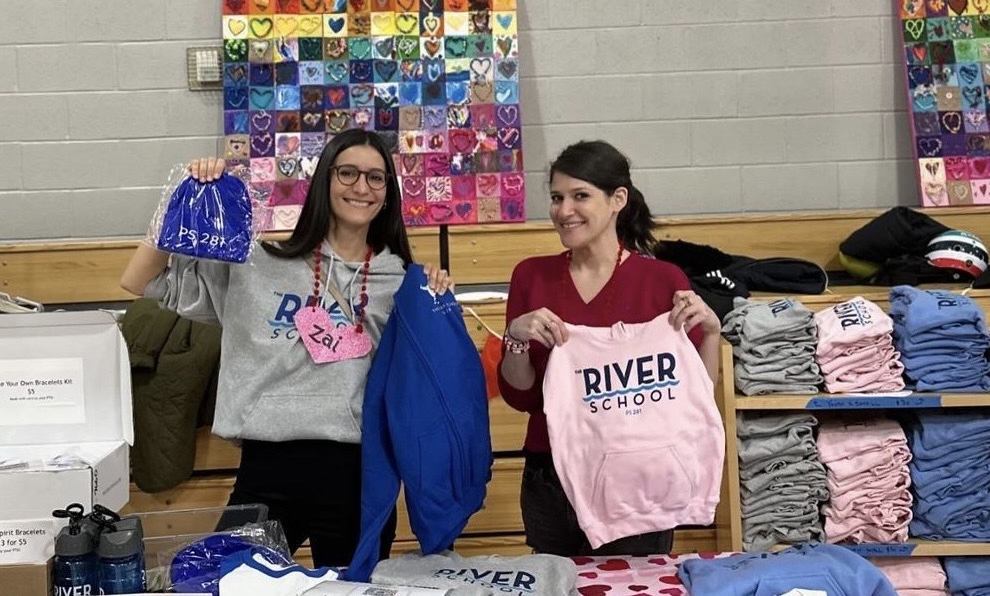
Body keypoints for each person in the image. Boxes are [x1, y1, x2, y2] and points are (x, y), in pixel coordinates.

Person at [120, 128, 452, 568]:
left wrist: (436, 297)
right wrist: (183, 199)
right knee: (230, 583)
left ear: (388, 193)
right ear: (324, 180)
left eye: (376, 178)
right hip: (267, 470)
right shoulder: (257, 263)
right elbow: (137, 280)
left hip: (358, 476)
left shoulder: (402, 282)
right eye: (348, 173)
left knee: (351, 592)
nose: (361, 187)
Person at [497, 140, 721, 556]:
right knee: (557, 584)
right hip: (552, 476)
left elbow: (693, 391)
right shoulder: (531, 276)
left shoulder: (663, 281)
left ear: (618, 199)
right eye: (557, 198)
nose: (564, 210)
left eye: (580, 196)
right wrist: (516, 337)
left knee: (634, 584)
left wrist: (710, 335)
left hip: (638, 479)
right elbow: (522, 397)